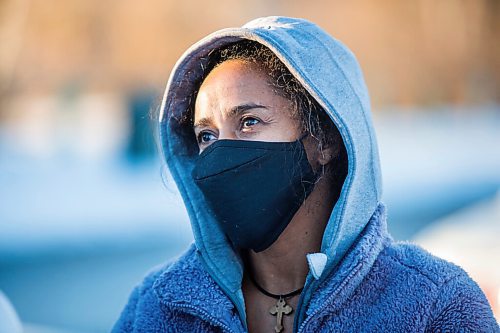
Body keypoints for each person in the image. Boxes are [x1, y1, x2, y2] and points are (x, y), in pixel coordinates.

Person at [112, 16, 498, 332]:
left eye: (248, 121)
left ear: (325, 139)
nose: (220, 153)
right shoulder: (160, 307)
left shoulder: (433, 303)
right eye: (206, 136)